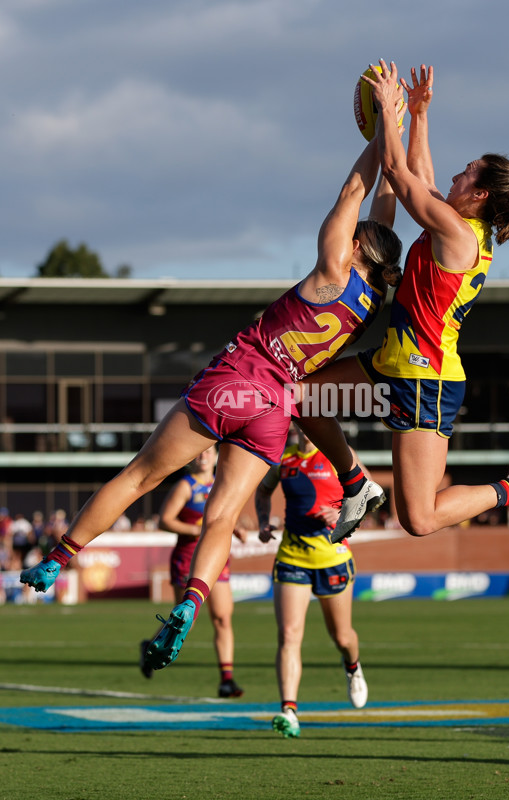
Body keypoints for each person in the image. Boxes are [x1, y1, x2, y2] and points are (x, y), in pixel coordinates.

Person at [21, 129, 402, 673]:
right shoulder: (368, 300)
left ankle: (58, 560)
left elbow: (351, 193)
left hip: (238, 379)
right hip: (276, 410)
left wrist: (380, 132)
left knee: (139, 478)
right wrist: (395, 139)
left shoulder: (331, 273)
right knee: (221, 518)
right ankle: (191, 604)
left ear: (357, 247)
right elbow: (381, 222)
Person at [297, 60, 509, 544]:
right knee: (300, 397)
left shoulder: (457, 233)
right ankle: (357, 484)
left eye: (467, 174)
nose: (456, 174)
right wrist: (421, 114)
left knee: (419, 520)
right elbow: (422, 178)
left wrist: (389, 111)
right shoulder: (459, 222)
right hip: (394, 364)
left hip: (426, 378)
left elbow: (399, 176)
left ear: (481, 194)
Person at [255, 426, 368, 738]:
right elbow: (263, 491)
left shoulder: (341, 455)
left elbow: (370, 496)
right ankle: (288, 710)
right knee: (289, 634)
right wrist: (263, 522)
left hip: (333, 558)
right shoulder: (282, 458)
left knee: (342, 637)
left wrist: (341, 515)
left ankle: (353, 667)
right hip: (292, 557)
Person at [139, 446, 246, 698]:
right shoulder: (186, 486)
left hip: (217, 560)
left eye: (209, 451)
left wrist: (236, 528)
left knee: (222, 618)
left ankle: (227, 679)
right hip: (188, 559)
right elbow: (165, 520)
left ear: (217, 455)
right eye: (199, 451)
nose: (203, 455)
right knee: (187, 618)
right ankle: (150, 647)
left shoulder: (224, 483)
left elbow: (224, 517)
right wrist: (199, 531)